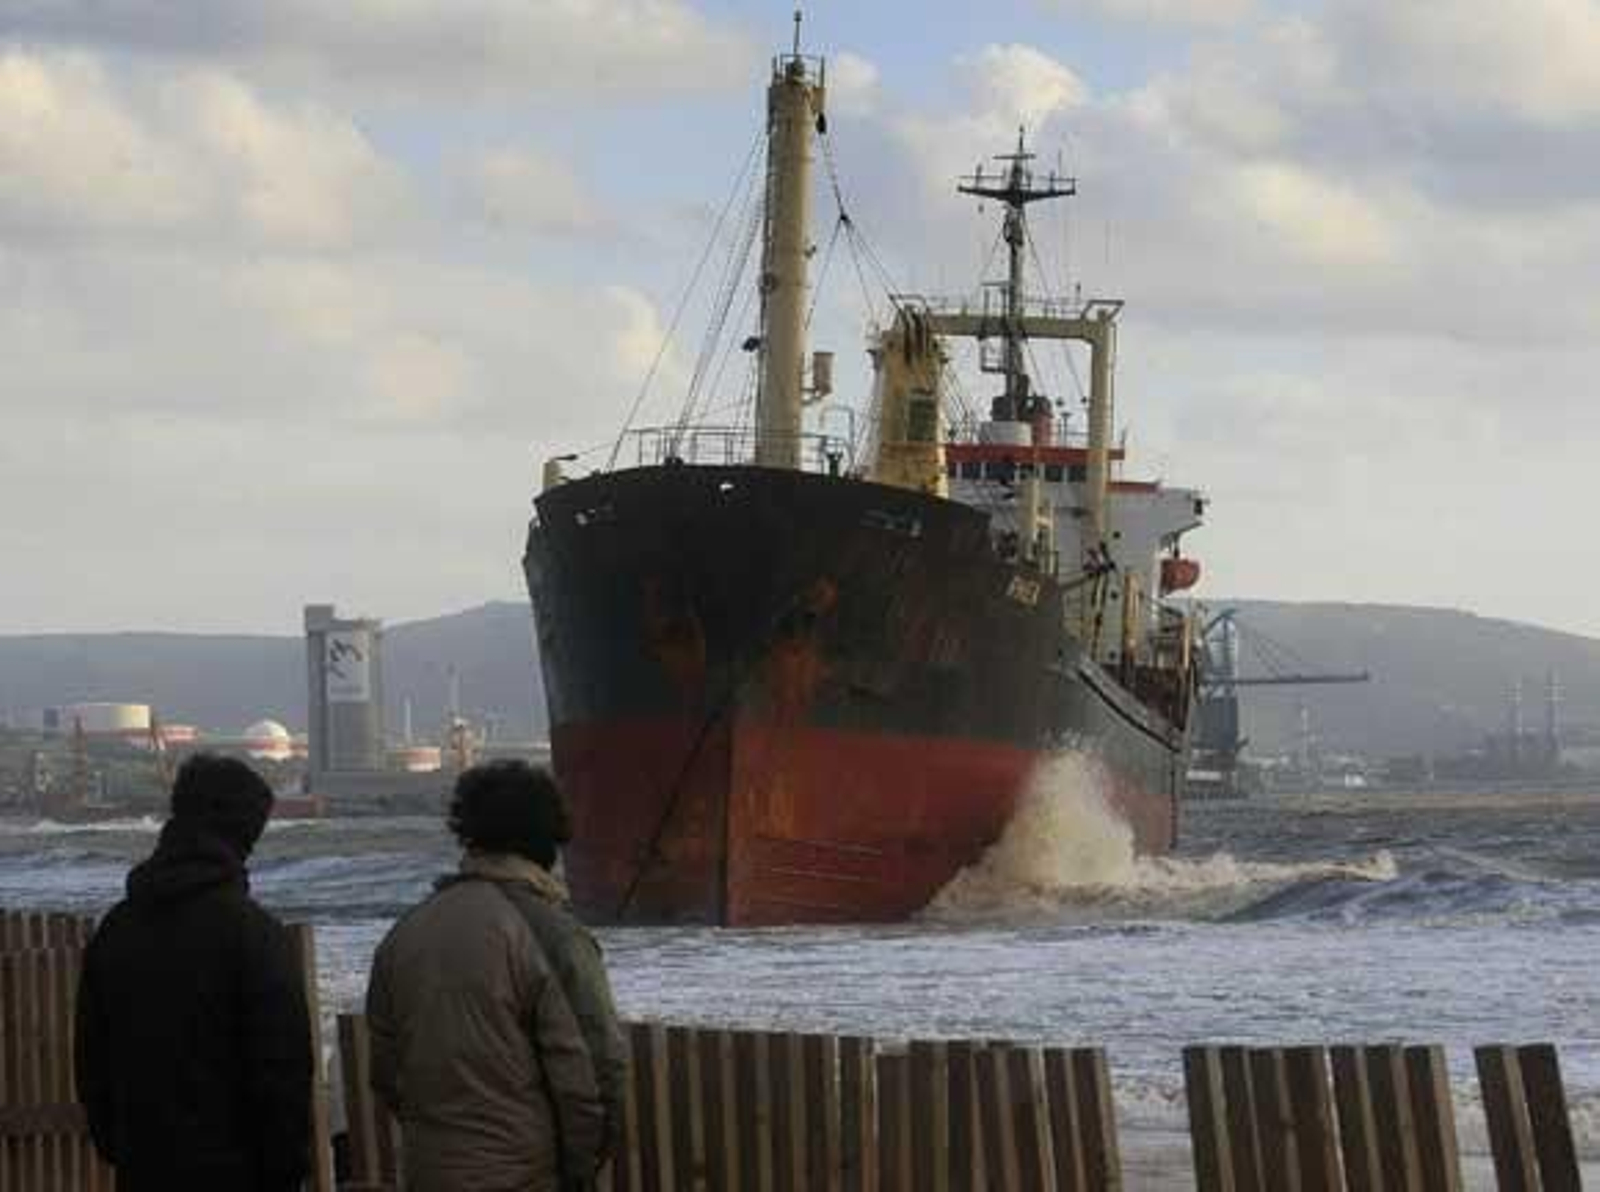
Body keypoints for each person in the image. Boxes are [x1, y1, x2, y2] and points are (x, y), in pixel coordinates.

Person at [367, 760, 627, 1192]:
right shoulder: (552, 934)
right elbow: (593, 1075)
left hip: (430, 1174)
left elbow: (388, 1072)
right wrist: (579, 1171)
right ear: (550, 837)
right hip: (525, 1177)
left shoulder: (406, 933)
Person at [75, 753, 312, 1192]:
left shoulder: (118, 927)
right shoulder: (253, 934)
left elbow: (93, 1059)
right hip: (238, 1173)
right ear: (245, 836)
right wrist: (287, 1170)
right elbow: (282, 1073)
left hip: (142, 1168)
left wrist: (120, 1145)